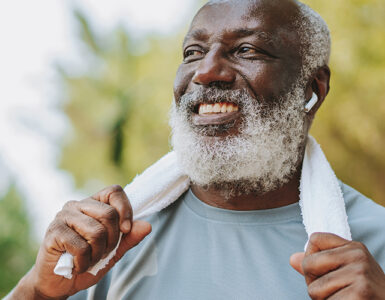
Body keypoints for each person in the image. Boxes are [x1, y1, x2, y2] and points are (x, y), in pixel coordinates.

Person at [8, 0, 385, 299]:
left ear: (312, 89)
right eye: (192, 52)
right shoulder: (109, 243)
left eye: (246, 49)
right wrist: (38, 291)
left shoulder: (373, 247)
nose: (206, 71)